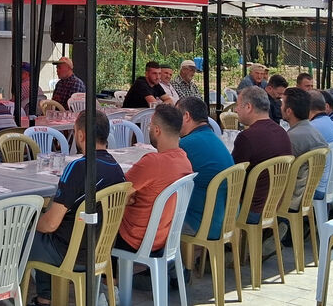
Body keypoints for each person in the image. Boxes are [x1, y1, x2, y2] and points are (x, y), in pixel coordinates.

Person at [24, 110, 126, 306]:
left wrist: (29, 224)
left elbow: (50, 224)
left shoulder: (79, 167)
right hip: (100, 250)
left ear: (80, 135)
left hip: (69, 252)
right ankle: (45, 298)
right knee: (43, 235)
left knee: (5, 244)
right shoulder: (116, 168)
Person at [116, 104, 192, 252]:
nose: (149, 129)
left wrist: (128, 198)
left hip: (134, 238)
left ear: (157, 130)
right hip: (164, 237)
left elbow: (117, 194)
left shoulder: (152, 162)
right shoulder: (185, 161)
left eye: (150, 126)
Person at [231, 86, 292, 221]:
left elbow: (233, 177)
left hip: (251, 208)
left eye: (238, 105)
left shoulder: (247, 137)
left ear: (248, 107)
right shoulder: (282, 132)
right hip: (275, 204)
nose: (236, 110)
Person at [177, 96, 233, 237]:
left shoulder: (186, 144)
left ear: (186, 116)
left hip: (202, 223)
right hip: (227, 218)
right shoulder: (214, 139)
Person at [283, 87, 329, 209]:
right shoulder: (315, 132)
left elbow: (281, 172)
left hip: (293, 198)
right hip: (309, 192)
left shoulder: (292, 138)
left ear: (289, 111)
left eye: (282, 104)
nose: (280, 107)